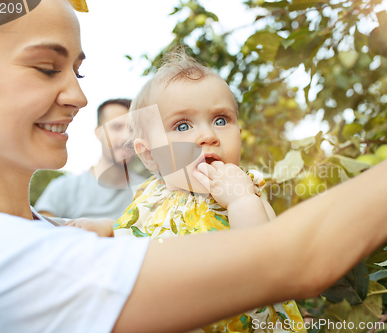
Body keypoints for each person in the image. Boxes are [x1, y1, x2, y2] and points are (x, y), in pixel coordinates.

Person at [0, 1, 387, 332]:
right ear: (147, 153)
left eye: (78, 70)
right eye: (46, 67)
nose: (78, 94)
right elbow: (290, 258)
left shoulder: (36, 240)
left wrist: (242, 198)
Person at [114, 49, 305, 332]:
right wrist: (105, 229)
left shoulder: (243, 191)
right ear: (150, 154)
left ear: (239, 135)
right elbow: (131, 237)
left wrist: (241, 201)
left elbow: (265, 256)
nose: (208, 136)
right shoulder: (148, 196)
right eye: (182, 125)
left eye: (221, 120)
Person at [34, 98, 147, 221]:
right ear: (98, 133)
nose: (127, 137)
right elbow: (41, 233)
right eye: (117, 127)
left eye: (133, 129)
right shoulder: (63, 189)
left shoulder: (149, 192)